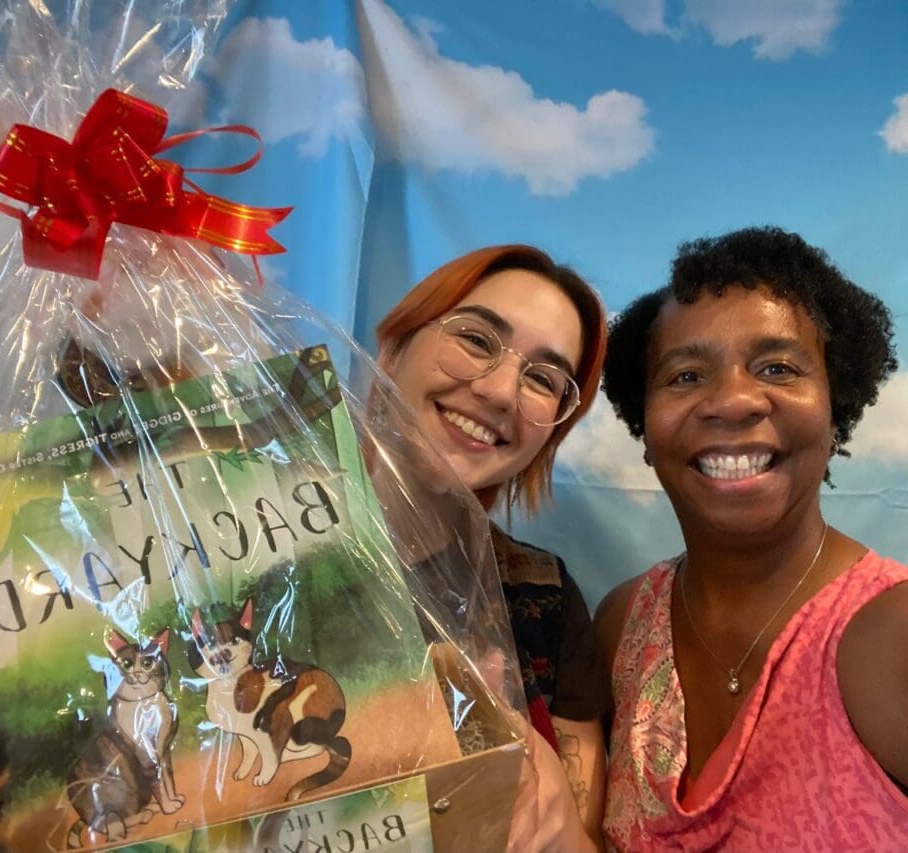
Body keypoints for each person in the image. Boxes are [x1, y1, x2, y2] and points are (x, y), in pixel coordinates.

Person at [596, 226, 907, 851]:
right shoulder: (622, 623)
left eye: (778, 367)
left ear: (835, 406)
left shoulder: (894, 633)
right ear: (645, 428)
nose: (734, 401)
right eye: (684, 376)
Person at [376, 244, 611, 848]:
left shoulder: (544, 599)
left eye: (542, 378)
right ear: (394, 346)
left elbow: (576, 839)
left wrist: (550, 807)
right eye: (478, 340)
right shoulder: (249, 549)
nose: (503, 392)